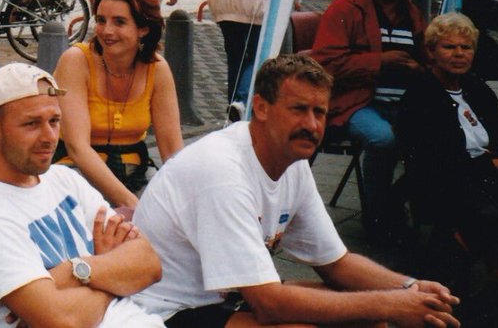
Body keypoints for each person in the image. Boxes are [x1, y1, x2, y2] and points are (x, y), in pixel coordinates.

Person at [132, 53, 461, 327]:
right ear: (261, 108)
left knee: (364, 317)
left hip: (228, 295)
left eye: (320, 112)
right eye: (298, 109)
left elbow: (336, 264)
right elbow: (270, 304)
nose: (313, 125)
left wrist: (409, 288)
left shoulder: (293, 162)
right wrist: (390, 305)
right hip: (167, 308)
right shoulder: (223, 171)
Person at [0, 63, 164, 328]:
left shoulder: (64, 179)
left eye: (54, 121)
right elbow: (63, 322)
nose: (49, 136)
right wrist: (114, 277)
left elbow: (149, 264)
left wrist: (73, 271)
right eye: (31, 124)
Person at [397, 12, 498, 273]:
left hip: (484, 173)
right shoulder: (421, 95)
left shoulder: (474, 86)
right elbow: (453, 163)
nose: (460, 53)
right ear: (431, 52)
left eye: (466, 47)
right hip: (447, 183)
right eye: (449, 47)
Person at [311, 0, 426, 239]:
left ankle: (406, 208)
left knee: (439, 136)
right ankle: (377, 220)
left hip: (405, 104)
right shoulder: (346, 8)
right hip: (356, 103)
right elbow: (326, 64)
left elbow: (426, 55)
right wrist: (379, 62)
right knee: (383, 139)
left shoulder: (411, 11)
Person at [52, 0, 183, 209]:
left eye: (119, 22)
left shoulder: (157, 69)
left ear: (143, 28)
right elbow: (78, 148)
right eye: (101, 21)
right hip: (76, 171)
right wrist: (132, 206)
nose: (106, 31)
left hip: (136, 171)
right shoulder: (76, 61)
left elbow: (173, 152)